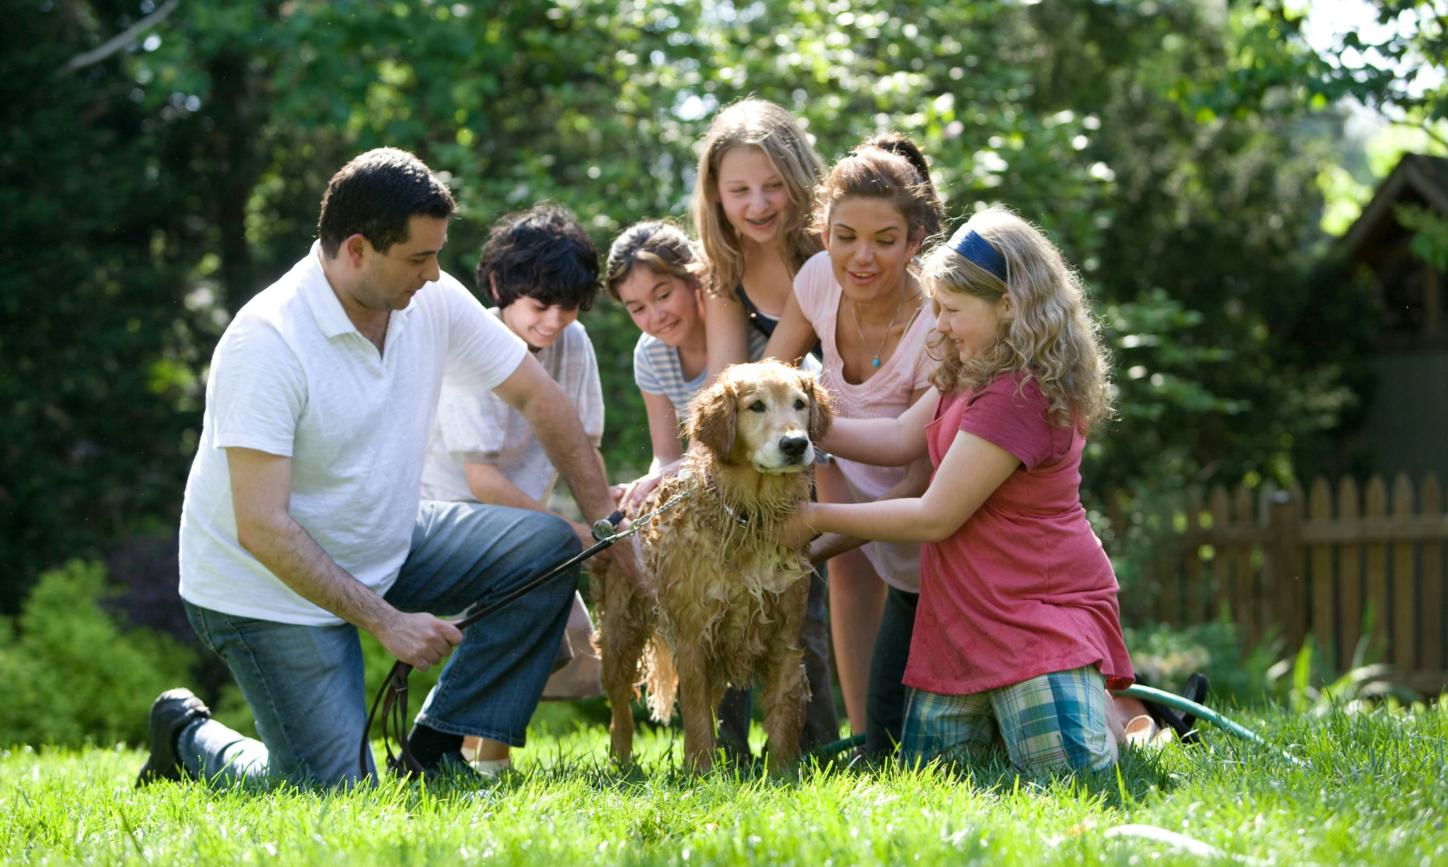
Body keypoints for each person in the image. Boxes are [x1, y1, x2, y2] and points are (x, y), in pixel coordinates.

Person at [136, 148, 634, 790]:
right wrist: (386, 622)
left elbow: (540, 398)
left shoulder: (429, 298)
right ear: (356, 249)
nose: (433, 275)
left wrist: (609, 527)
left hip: (386, 540)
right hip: (265, 589)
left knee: (547, 547)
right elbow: (259, 526)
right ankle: (187, 737)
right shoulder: (266, 341)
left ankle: (435, 750)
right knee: (334, 792)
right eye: (418, 258)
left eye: (437, 255)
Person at [785, 206, 1136, 774]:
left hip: (1032, 617)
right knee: (933, 780)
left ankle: (1127, 727)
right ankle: (1097, 715)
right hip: (962, 621)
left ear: (1008, 305)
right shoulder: (972, 368)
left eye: (950, 310)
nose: (939, 324)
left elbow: (934, 517)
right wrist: (797, 421)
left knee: (1065, 771)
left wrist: (811, 517)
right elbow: (901, 436)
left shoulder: (1018, 393)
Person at [605, 221, 836, 761]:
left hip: (780, 503)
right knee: (709, 624)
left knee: (803, 630)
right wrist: (649, 485)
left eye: (663, 294)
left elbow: (800, 417)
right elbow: (667, 452)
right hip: (707, 503)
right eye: (637, 307)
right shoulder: (651, 355)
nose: (655, 315)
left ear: (697, 280)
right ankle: (721, 755)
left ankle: (814, 749)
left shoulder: (758, 348)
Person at [764, 134, 943, 757]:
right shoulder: (817, 281)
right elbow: (768, 380)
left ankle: (1136, 712)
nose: (861, 258)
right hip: (866, 530)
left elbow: (917, 480)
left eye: (884, 241)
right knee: (885, 744)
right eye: (845, 236)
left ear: (915, 242)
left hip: (943, 550)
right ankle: (867, 743)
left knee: (955, 734)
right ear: (823, 231)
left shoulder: (939, 324)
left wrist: (810, 540)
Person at [418, 202, 607, 776]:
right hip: (449, 517)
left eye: (568, 307)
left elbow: (584, 448)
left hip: (524, 523)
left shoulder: (573, 346)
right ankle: (476, 758)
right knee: (531, 607)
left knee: (563, 634)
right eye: (540, 305)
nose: (553, 321)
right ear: (501, 286)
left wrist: (603, 520)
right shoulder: (469, 341)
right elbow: (483, 480)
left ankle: (474, 753)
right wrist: (568, 532)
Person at [687, 98, 839, 759]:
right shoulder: (723, 270)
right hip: (780, 443)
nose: (758, 203)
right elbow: (729, 376)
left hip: (840, 427)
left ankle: (821, 737)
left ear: (802, 179)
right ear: (715, 196)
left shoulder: (835, 247)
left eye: (774, 185)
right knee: (732, 552)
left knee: (809, 598)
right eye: (739, 189)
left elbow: (795, 360)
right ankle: (725, 744)